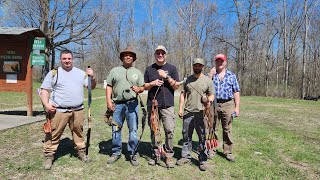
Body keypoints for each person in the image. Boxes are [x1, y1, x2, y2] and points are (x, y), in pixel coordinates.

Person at [40, 49, 97, 170]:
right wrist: (46, 105)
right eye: (64, 59)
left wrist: (92, 77)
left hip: (78, 110)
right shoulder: (54, 73)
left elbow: (91, 87)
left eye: (69, 58)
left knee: (78, 131)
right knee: (53, 133)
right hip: (59, 110)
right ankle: (49, 156)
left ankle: (81, 151)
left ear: (72, 59)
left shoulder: (81, 73)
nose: (67, 61)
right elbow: (44, 90)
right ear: (60, 59)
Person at [105, 47, 144, 166]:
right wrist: (108, 101)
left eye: (130, 55)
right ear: (122, 57)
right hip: (117, 105)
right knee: (116, 129)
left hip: (132, 104)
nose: (128, 57)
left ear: (133, 58)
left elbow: (142, 87)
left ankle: (132, 152)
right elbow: (109, 85)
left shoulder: (137, 72)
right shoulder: (115, 70)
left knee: (133, 129)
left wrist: (139, 89)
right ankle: (116, 152)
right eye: (126, 55)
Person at [144, 45, 179, 168]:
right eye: (158, 53)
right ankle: (156, 154)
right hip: (153, 105)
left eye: (162, 53)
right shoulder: (149, 69)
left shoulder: (172, 68)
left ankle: (168, 154)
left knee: (169, 129)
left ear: (166, 55)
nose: (160, 55)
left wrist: (166, 77)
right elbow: (144, 86)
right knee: (154, 130)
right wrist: (152, 83)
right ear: (155, 55)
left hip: (168, 105)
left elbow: (176, 86)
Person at [176, 58, 215, 171]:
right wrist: (180, 108)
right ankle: (185, 156)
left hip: (201, 113)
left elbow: (212, 95)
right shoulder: (187, 80)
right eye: (195, 65)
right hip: (188, 112)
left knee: (202, 136)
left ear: (203, 67)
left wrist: (208, 100)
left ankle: (202, 159)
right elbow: (183, 95)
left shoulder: (207, 80)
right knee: (186, 136)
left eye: (200, 65)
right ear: (193, 66)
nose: (197, 67)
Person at [209, 53, 240, 162]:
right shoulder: (211, 75)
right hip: (214, 104)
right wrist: (210, 76)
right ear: (215, 62)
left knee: (227, 128)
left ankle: (228, 151)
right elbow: (206, 88)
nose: (219, 63)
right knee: (212, 128)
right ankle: (212, 149)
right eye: (217, 61)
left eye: (221, 61)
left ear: (225, 62)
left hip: (228, 104)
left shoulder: (231, 75)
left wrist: (237, 107)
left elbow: (236, 91)